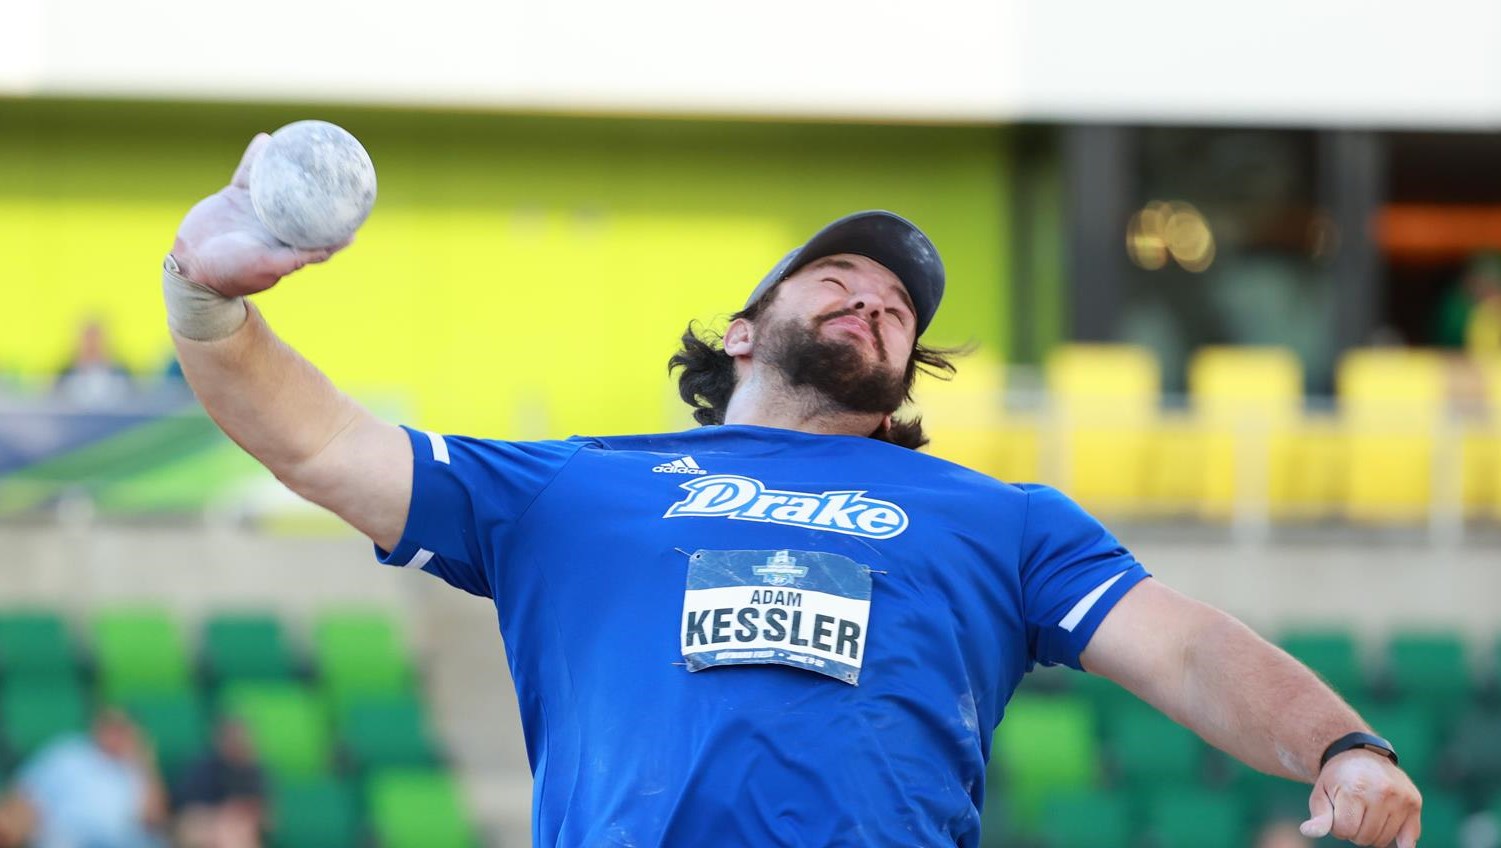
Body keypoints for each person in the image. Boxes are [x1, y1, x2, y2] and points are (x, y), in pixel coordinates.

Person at [161, 134, 1423, 847]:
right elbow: (320, 445)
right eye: (841, 276)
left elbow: (1189, 647)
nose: (878, 298)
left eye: (901, 305)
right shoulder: (574, 487)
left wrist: (1338, 742)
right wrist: (206, 301)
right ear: (743, 330)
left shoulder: (999, 518)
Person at [0, 709, 168, 848]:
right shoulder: (68, 754)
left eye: (122, 729)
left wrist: (145, 766)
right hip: (68, 838)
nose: (115, 734)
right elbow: (24, 793)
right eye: (110, 727)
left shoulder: (137, 766)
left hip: (123, 842)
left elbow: (154, 820)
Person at [172, 719, 266, 848]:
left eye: (241, 739)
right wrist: (220, 817)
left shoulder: (253, 772)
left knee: (237, 834)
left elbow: (267, 821)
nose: (237, 743)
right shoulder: (202, 769)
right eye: (231, 738)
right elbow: (185, 811)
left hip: (237, 830)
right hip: (201, 825)